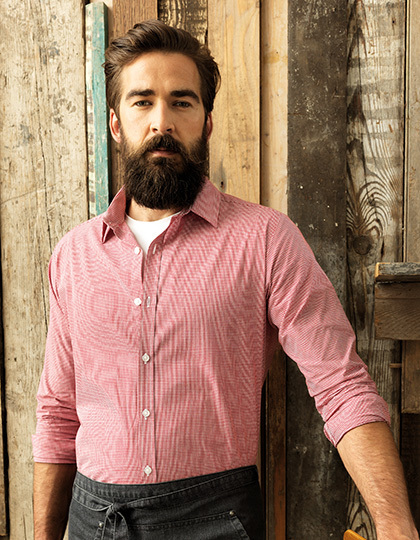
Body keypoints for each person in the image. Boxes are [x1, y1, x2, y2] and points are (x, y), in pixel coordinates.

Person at [33, 19, 418, 540]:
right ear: (116, 124)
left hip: (218, 521)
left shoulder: (265, 239)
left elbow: (340, 384)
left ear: (207, 122)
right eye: (143, 102)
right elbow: (57, 414)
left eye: (182, 102)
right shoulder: (73, 255)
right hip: (93, 521)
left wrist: (395, 524)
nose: (162, 122)